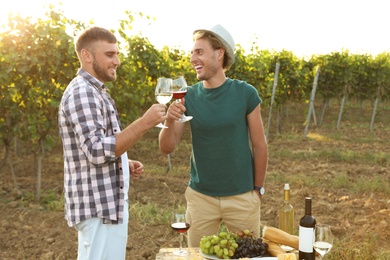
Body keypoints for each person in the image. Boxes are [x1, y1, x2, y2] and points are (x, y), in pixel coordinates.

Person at [58, 26, 167, 259]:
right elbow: (97, 151)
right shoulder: (82, 92)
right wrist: (145, 123)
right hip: (99, 207)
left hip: (105, 205)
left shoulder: (97, 91)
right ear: (87, 55)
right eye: (109, 54)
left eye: (117, 54)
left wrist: (122, 161)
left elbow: (94, 145)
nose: (117, 61)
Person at [159, 24, 268, 247]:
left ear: (219, 54)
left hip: (241, 198)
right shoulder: (187, 96)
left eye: (199, 52)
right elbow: (166, 147)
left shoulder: (245, 93)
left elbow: (259, 145)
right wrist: (169, 119)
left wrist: (257, 190)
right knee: (198, 255)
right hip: (201, 199)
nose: (192, 58)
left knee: (246, 255)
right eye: (192, 53)